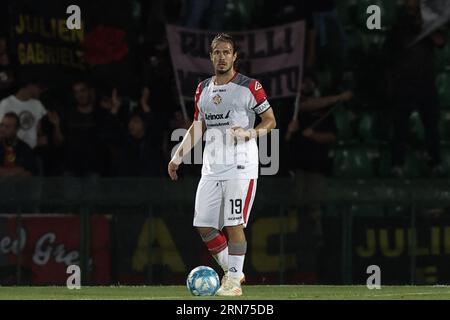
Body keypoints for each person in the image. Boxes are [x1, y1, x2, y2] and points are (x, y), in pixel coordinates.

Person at [167, 34, 276, 296]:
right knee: (203, 224)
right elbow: (198, 126)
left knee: (233, 224)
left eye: (227, 52)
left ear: (235, 56)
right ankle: (233, 270)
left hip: (241, 165)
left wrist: (250, 133)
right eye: (217, 52)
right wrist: (178, 156)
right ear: (211, 56)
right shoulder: (202, 89)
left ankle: (234, 282)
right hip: (211, 167)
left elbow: (270, 120)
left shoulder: (251, 86)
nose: (222, 57)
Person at [387, 0, 446, 177]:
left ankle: (435, 162)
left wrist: (425, 25)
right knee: (400, 126)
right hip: (404, 82)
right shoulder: (399, 23)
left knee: (431, 126)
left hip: (425, 82)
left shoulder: (431, 21)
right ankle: (397, 163)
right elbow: (392, 51)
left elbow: (440, 41)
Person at [0, 79, 47, 149]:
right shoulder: (6, 103)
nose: (41, 91)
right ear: (30, 85)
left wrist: (41, 139)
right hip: (11, 151)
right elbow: (2, 130)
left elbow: (38, 130)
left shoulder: (38, 104)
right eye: (40, 87)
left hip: (31, 153)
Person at [0, 112, 37, 176]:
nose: (2, 129)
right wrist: (16, 171)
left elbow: (30, 172)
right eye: (2, 125)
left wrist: (6, 173)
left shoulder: (25, 148)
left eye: (7, 126)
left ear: (16, 129)